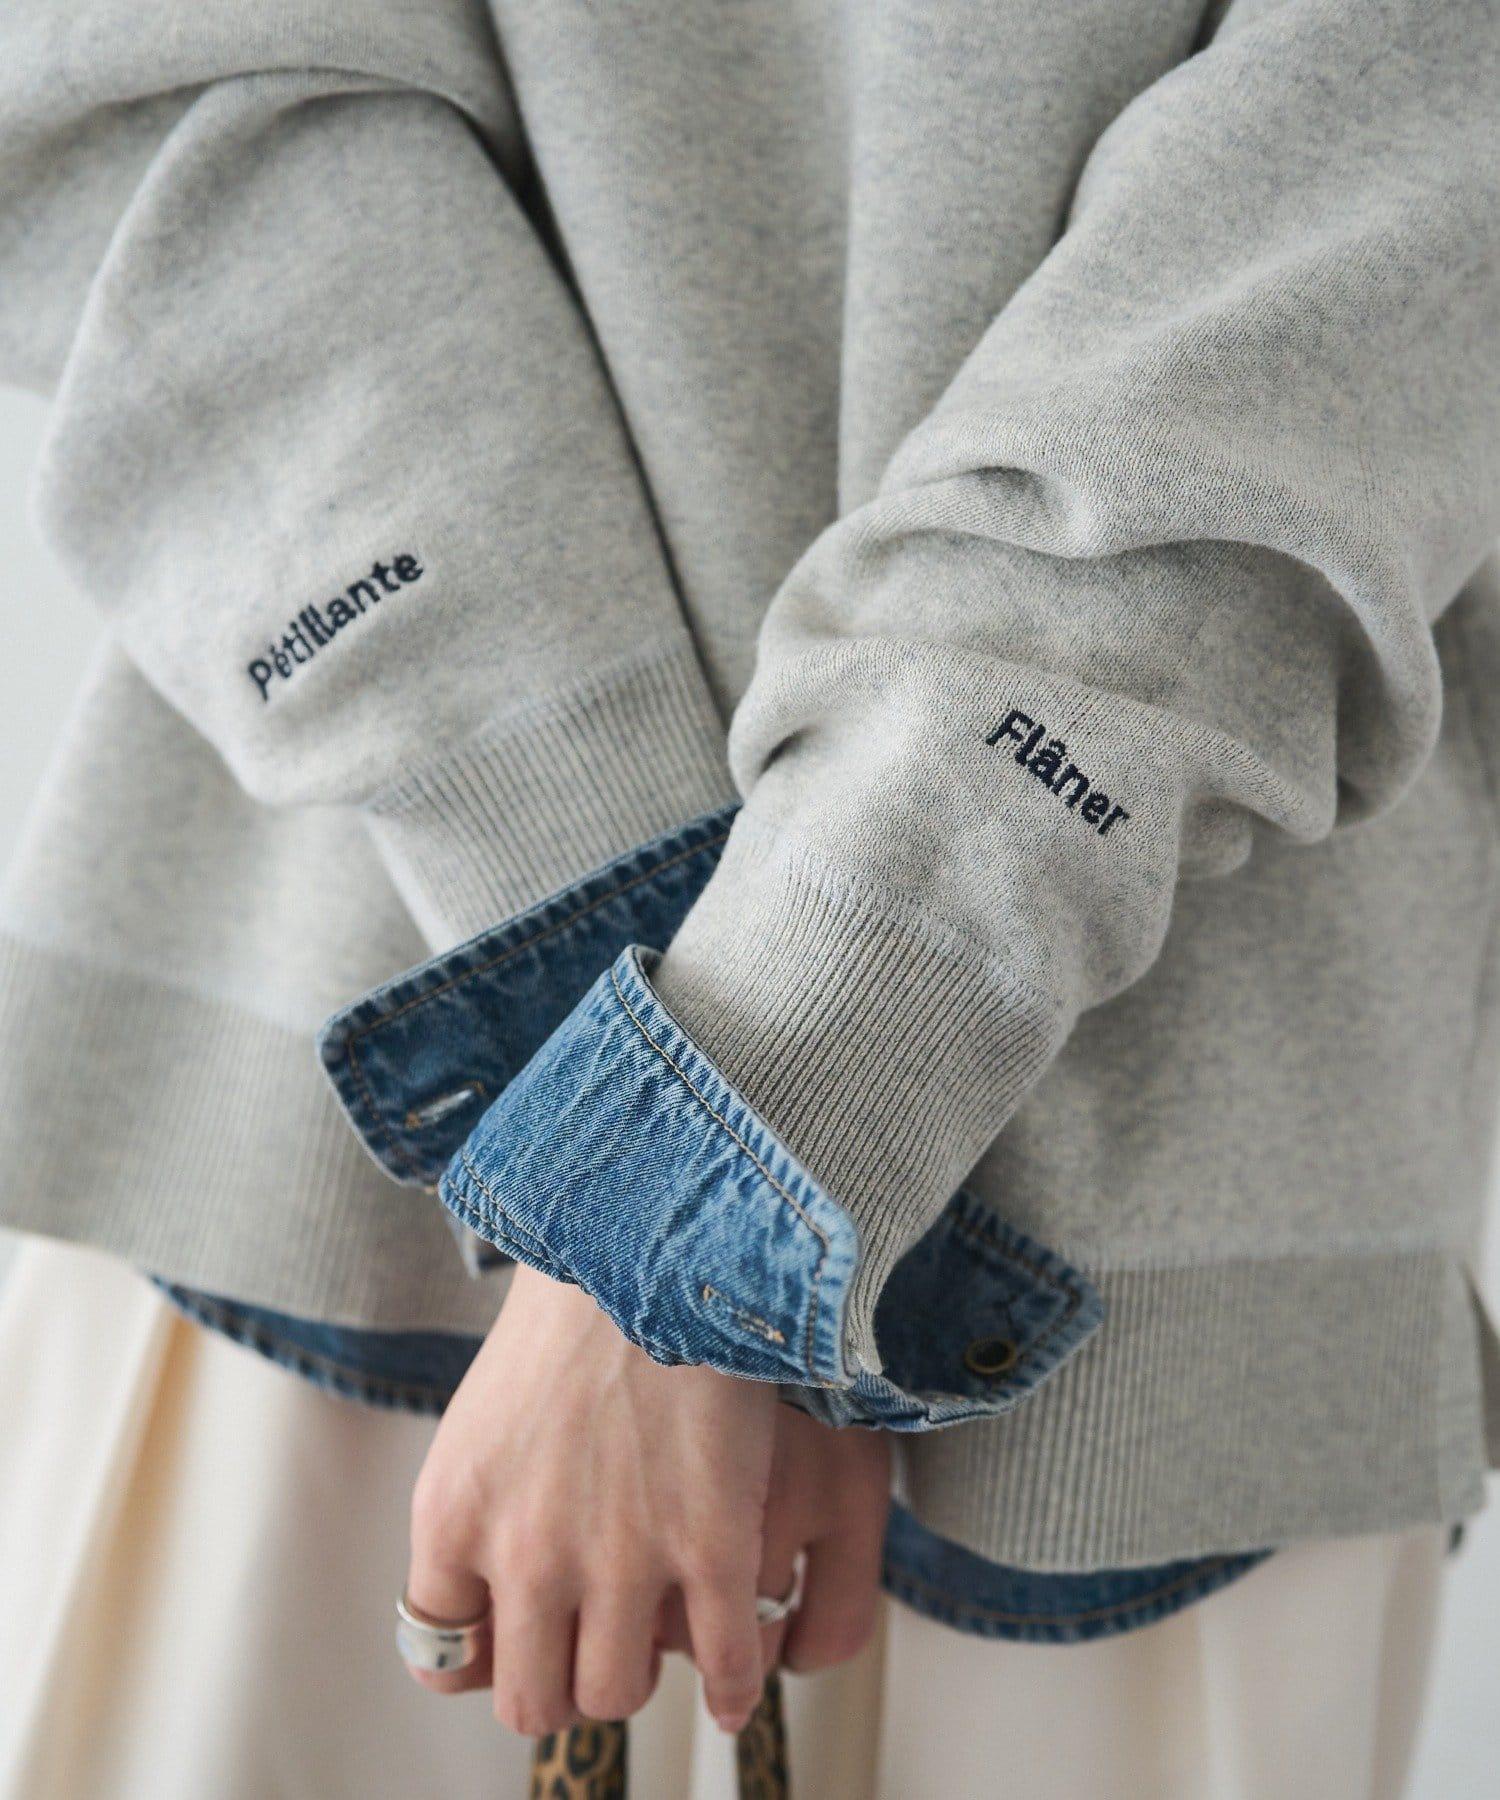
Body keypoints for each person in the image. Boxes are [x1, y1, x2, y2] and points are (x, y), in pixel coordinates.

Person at [0, 2, 1497, 1795]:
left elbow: (1376, 251)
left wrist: (706, 1187)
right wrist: (705, 1188)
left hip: (1141, 1309)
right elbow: (152, 89)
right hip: (334, 1155)